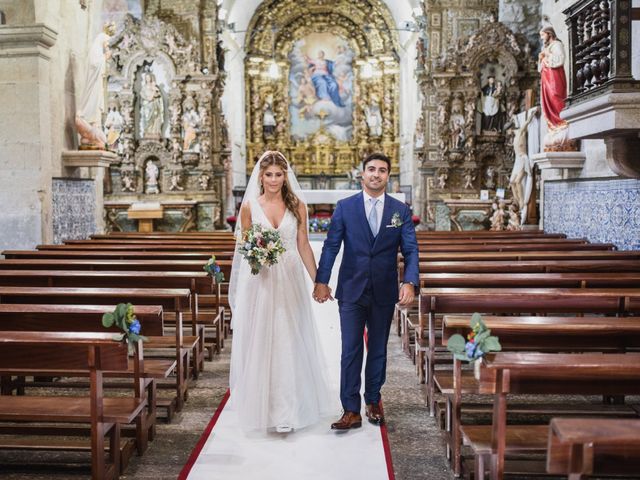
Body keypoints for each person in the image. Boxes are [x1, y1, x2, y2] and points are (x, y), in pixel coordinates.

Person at [229, 151, 333, 433]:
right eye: (269, 175)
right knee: (263, 340)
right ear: (260, 177)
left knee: (288, 337)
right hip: (260, 281)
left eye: (279, 174)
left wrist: (318, 281)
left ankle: (287, 410)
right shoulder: (250, 206)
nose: (274, 180)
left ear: (285, 176)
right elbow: (244, 246)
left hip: (289, 279)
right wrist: (256, 255)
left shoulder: (298, 205)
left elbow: (302, 245)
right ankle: (265, 408)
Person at [314, 152, 419, 430]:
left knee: (377, 349)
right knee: (350, 349)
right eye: (371, 169)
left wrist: (409, 281)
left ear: (388, 176)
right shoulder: (345, 207)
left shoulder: (400, 210)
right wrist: (321, 280)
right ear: (363, 174)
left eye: (382, 170)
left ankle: (373, 399)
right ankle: (350, 408)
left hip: (384, 289)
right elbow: (332, 246)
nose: (376, 174)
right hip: (352, 288)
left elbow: (410, 249)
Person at [538, 26, 567, 130]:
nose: (541, 38)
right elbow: (540, 67)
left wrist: (547, 54)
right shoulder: (547, 47)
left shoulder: (557, 45)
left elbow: (560, 59)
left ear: (549, 34)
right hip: (546, 79)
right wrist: (541, 58)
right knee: (549, 100)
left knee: (556, 97)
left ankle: (561, 121)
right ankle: (554, 125)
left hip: (555, 77)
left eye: (542, 35)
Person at [139, 73, 164, 138]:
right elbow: (142, 96)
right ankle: (148, 131)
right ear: (145, 79)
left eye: (149, 77)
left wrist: (154, 94)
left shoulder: (155, 86)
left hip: (154, 105)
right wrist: (148, 98)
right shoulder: (144, 88)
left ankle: (155, 131)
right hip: (147, 106)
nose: (148, 79)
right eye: (147, 78)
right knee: (147, 119)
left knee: (156, 117)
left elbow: (158, 95)